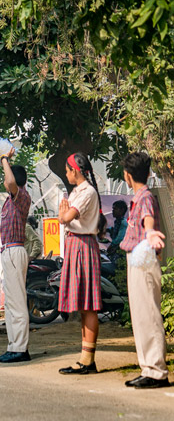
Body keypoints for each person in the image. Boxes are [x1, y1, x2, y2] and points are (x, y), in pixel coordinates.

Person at [118, 152, 170, 389]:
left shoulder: (145, 197)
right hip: (138, 261)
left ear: (127, 176)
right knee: (141, 316)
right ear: (147, 173)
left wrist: (149, 233)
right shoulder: (139, 197)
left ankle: (156, 371)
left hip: (144, 262)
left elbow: (148, 219)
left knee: (148, 315)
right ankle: (148, 368)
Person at [57, 152, 102, 375]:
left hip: (83, 245)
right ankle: (85, 358)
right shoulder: (77, 191)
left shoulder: (87, 192)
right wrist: (63, 215)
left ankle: (88, 360)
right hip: (76, 245)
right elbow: (63, 217)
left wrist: (64, 214)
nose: (66, 174)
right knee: (84, 305)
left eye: (67, 170)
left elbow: (65, 217)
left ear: (75, 170)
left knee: (89, 305)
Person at [0, 149, 32, 363]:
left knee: (17, 302)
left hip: (15, 250)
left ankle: (20, 348)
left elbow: (10, 182)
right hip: (8, 251)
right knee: (10, 303)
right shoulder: (10, 200)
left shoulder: (21, 196)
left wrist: (4, 159)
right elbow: (9, 182)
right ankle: (13, 345)